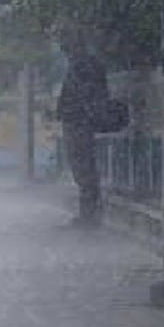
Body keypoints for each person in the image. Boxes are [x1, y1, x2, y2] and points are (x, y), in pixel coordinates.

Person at [57, 32, 109, 228]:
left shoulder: (83, 65)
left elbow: (84, 94)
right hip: (79, 121)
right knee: (83, 168)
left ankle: (89, 214)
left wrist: (79, 113)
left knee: (83, 168)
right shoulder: (84, 64)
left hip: (79, 122)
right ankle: (88, 212)